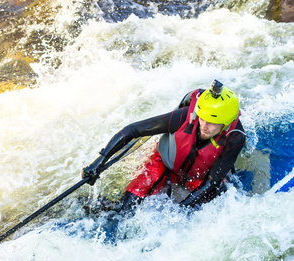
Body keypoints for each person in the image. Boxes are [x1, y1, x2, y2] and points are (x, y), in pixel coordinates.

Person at [82, 79, 246, 212]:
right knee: (125, 207)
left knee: (198, 213)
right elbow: (132, 130)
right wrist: (99, 162)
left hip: (200, 179)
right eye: (203, 118)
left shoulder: (235, 137)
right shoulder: (184, 116)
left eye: (212, 123)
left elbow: (211, 183)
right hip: (166, 164)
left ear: (225, 123)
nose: (204, 126)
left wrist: (181, 209)